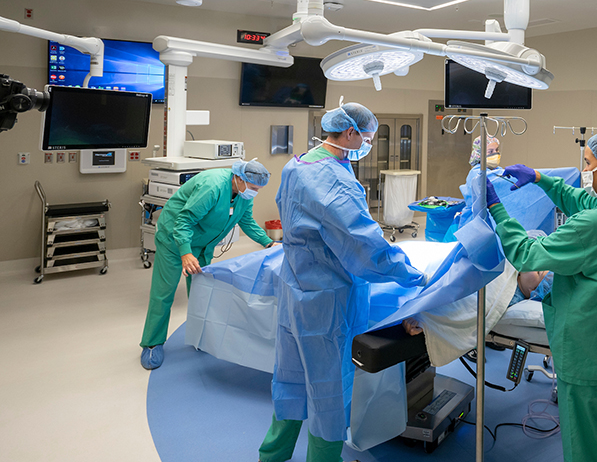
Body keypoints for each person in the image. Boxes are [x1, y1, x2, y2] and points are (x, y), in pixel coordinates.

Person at [260, 100, 425, 462]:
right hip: (326, 299)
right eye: (366, 136)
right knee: (328, 390)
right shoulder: (334, 179)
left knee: (290, 377)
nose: (366, 143)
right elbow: (365, 246)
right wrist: (411, 273)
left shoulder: (298, 164)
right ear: (350, 132)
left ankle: (272, 455)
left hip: (294, 287)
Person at [484, 130, 597, 462]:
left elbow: (527, 254)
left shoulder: (593, 226)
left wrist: (496, 208)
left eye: (589, 163)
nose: (585, 170)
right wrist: (539, 178)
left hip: (586, 352)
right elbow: (583, 201)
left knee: (584, 446)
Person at [139, 159, 275, 370]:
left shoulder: (243, 194)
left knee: (202, 291)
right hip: (175, 240)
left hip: (202, 244)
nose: (255, 192)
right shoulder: (212, 186)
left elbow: (246, 221)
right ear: (239, 178)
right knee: (164, 292)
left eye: (259, 189)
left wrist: (269, 243)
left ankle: (200, 336)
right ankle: (152, 344)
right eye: (254, 188)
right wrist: (184, 253)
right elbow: (183, 222)